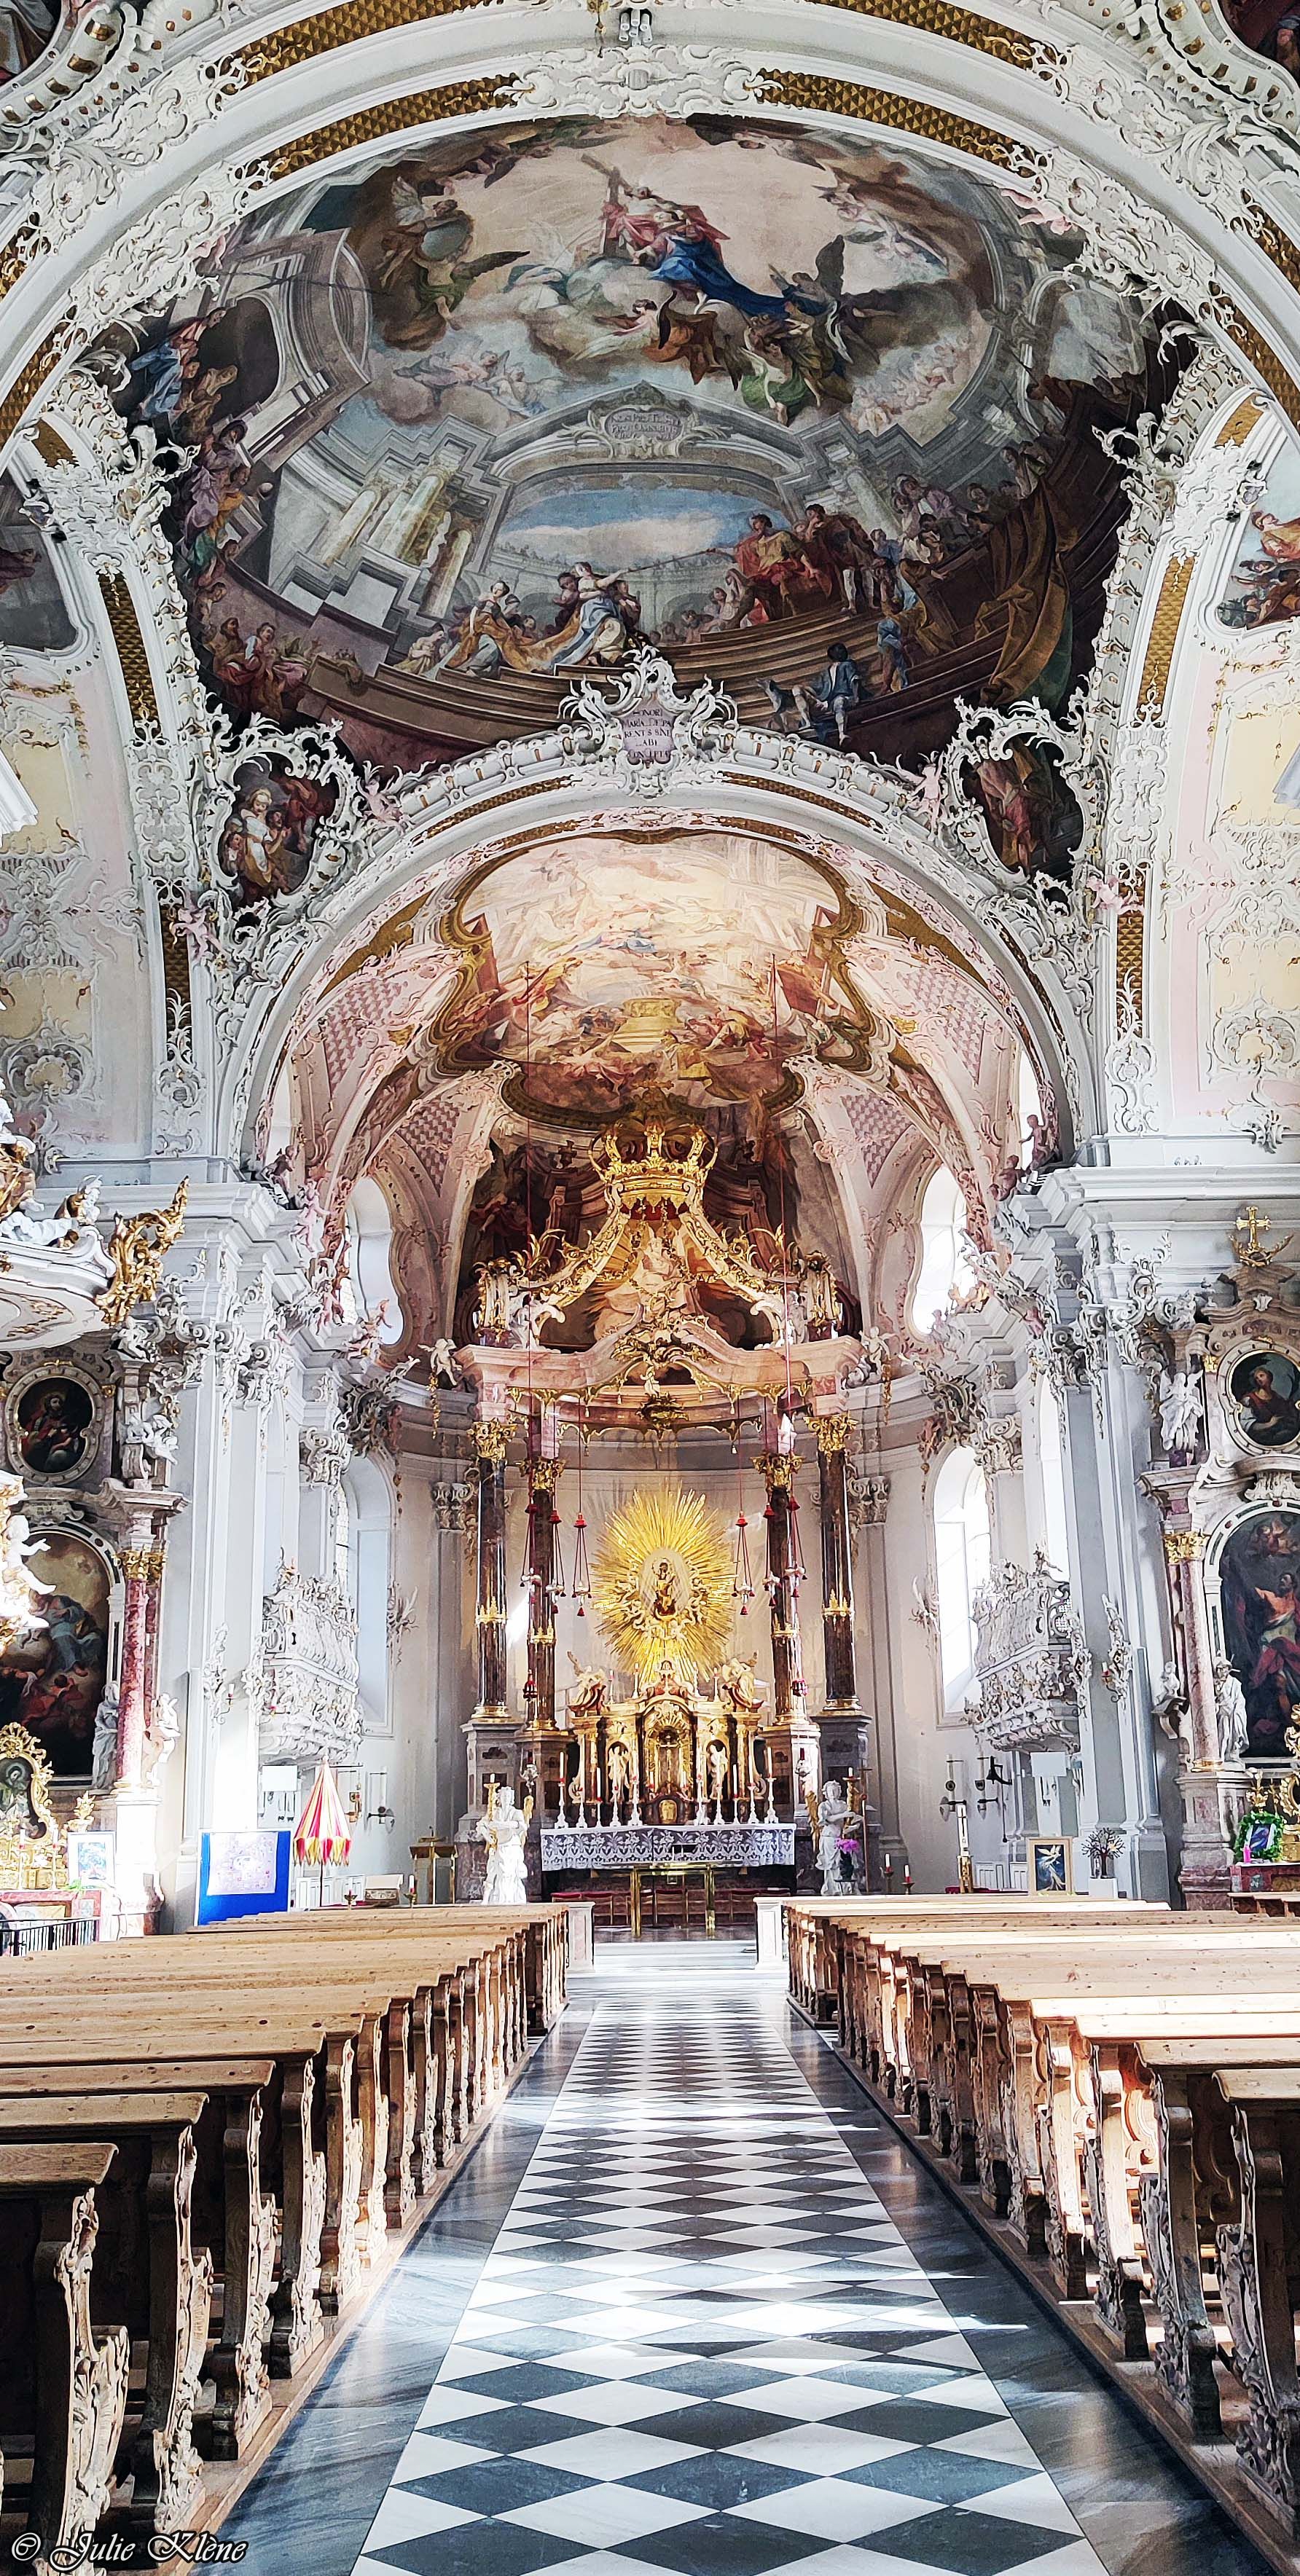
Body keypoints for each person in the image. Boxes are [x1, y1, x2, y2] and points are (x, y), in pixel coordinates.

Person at [477, 1782, 530, 1901]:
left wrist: (502, 1825)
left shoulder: (516, 1812)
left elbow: (522, 1826)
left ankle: (512, 1900)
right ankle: (500, 1900)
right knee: (500, 1874)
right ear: (500, 1798)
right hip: (501, 1847)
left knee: (511, 1875)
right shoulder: (496, 1812)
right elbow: (484, 1825)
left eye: (508, 1796)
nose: (506, 1799)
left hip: (512, 1848)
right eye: (504, 1796)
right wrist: (488, 1835)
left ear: (511, 1799)